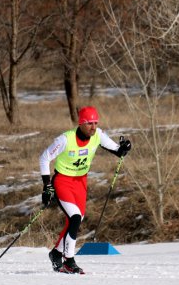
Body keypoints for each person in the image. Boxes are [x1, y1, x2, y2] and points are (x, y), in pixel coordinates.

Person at [39, 106, 131, 274]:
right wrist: (47, 186)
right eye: (89, 123)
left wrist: (124, 148)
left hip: (80, 182)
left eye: (95, 123)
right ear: (81, 123)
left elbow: (117, 150)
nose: (93, 127)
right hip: (63, 181)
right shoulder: (65, 139)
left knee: (77, 219)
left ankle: (56, 253)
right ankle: (69, 260)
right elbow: (44, 157)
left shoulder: (97, 135)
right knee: (74, 217)